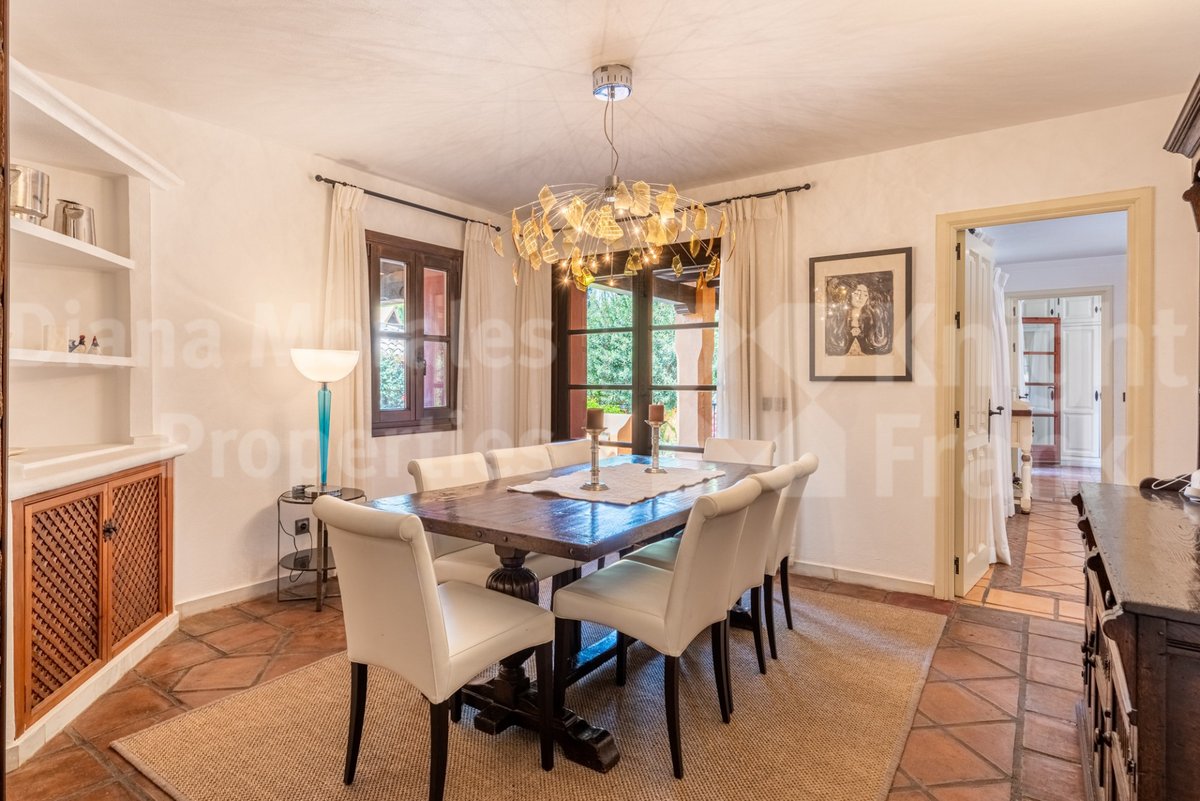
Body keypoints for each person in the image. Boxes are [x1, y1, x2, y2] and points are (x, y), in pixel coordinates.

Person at [824, 275, 893, 356]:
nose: (861, 297)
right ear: (848, 294)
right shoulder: (838, 319)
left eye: (865, 295)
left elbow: (879, 347)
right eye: (857, 293)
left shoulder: (873, 320)